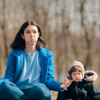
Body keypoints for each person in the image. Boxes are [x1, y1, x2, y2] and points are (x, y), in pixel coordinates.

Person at [0, 21, 72, 100]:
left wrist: (60, 86)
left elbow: (49, 80)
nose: (31, 35)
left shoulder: (47, 56)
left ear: (38, 35)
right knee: (4, 85)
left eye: (34, 32)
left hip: (37, 92)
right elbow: (9, 77)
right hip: (18, 92)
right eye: (28, 32)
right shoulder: (14, 54)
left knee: (39, 87)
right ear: (22, 36)